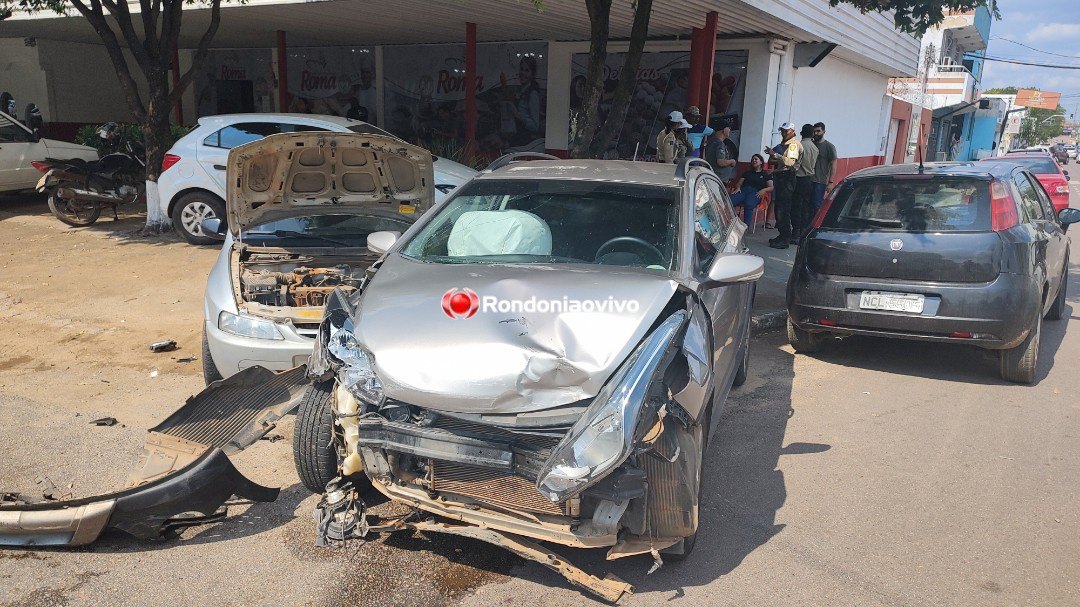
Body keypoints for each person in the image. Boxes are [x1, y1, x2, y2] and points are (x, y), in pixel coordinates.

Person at [765, 122, 801, 250]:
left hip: (787, 178)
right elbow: (772, 161)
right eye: (782, 131)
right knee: (779, 208)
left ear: (792, 131)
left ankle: (785, 238)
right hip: (781, 177)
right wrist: (776, 157)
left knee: (783, 209)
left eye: (786, 131)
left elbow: (790, 162)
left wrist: (775, 155)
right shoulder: (783, 145)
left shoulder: (793, 145)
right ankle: (782, 235)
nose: (783, 133)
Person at [729, 154, 773, 230]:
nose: (754, 161)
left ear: (761, 162)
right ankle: (730, 223)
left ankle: (746, 226)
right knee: (730, 200)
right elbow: (739, 183)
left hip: (756, 192)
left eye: (756, 159)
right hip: (743, 190)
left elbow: (771, 187)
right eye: (752, 159)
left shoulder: (765, 174)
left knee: (749, 204)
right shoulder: (747, 173)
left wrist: (764, 190)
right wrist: (738, 187)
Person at [792, 124, 819, 242]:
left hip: (799, 178)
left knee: (796, 207)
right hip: (810, 179)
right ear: (812, 134)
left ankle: (796, 232)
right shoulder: (815, 147)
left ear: (801, 133)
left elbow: (794, 165)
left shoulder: (799, 146)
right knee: (805, 206)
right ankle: (803, 230)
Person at [811, 122, 837, 209]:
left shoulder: (829, 146)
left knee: (817, 205)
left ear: (824, 132)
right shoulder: (811, 144)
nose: (816, 133)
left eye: (818, 131)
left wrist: (830, 182)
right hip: (808, 179)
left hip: (820, 181)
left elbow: (834, 164)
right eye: (814, 131)